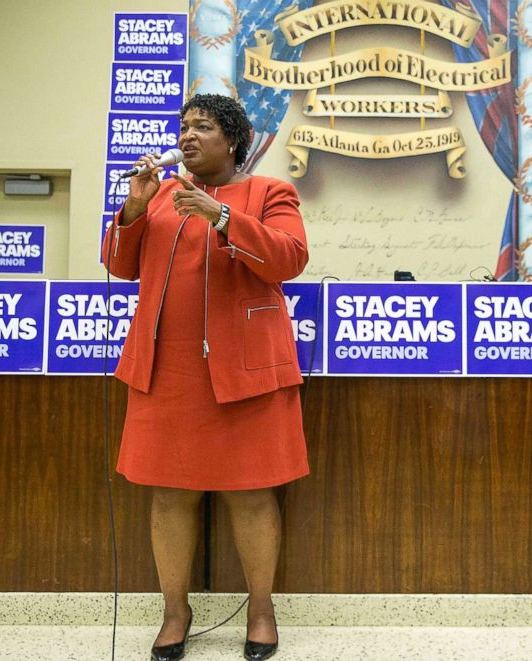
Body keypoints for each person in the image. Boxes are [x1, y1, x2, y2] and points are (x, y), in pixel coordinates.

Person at [102, 94, 309, 661]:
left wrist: (220, 217)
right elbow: (120, 266)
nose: (188, 136)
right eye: (184, 127)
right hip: (167, 371)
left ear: (235, 138)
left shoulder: (269, 193)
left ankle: (262, 610)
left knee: (251, 494)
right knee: (170, 495)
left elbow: (289, 259)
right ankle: (175, 612)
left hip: (244, 372)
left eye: (204, 127)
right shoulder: (161, 193)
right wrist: (134, 208)